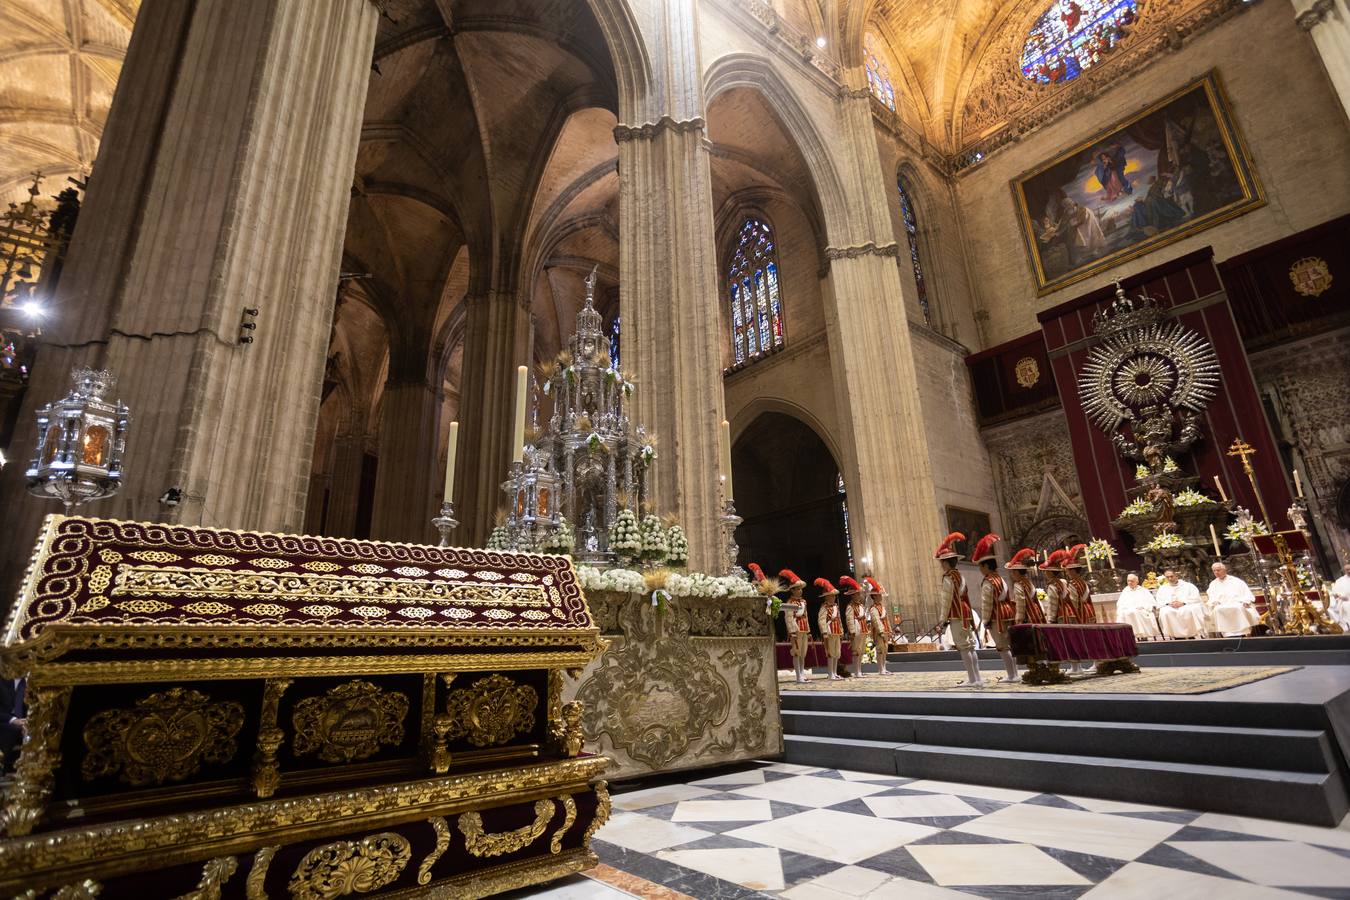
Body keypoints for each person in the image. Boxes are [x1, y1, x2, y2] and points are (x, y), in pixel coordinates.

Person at [935, 531, 982, 687]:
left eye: (942, 562)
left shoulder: (948, 577)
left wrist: (942, 619)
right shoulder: (960, 575)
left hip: (956, 613)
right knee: (970, 646)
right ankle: (977, 677)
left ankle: (972, 679)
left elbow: (946, 599)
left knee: (963, 646)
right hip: (966, 611)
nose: (941, 565)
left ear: (947, 563)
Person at [974, 534, 1020, 684]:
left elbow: (987, 603)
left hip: (997, 616)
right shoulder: (1001, 579)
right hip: (1008, 612)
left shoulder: (988, 582)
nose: (980, 570)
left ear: (986, 566)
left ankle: (1011, 675)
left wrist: (985, 620)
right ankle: (1015, 673)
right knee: (1010, 646)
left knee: (1002, 647)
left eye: (981, 566)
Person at [1206, 561, 1261, 636]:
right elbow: (1211, 597)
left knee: (1238, 608)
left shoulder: (1236, 581)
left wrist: (1246, 601)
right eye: (1214, 571)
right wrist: (1214, 602)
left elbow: (1246, 593)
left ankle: (1242, 633)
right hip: (1221, 605)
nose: (1216, 572)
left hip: (1237, 604)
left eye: (1218, 570)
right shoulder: (1213, 584)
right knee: (1217, 609)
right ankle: (1226, 634)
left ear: (1224, 570)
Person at [779, 568, 812, 683]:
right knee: (797, 652)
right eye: (797, 589)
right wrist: (792, 631)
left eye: (800, 589)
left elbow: (806, 616)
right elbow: (788, 618)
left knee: (803, 653)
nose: (800, 591)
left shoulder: (803, 602)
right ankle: (798, 676)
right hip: (796, 629)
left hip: (803, 629)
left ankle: (802, 674)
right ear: (792, 591)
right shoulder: (790, 603)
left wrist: (808, 630)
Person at [1155, 568, 1207, 639]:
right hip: (1171, 607)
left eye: (1171, 576)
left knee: (1188, 611)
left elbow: (1196, 597)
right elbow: (1160, 600)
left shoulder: (1189, 586)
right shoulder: (1163, 588)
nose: (1170, 578)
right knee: (1165, 612)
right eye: (1167, 577)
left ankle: (1191, 635)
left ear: (1176, 576)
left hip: (1186, 605)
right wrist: (1169, 603)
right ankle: (1176, 636)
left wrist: (1183, 603)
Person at [1116, 573, 1162, 640]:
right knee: (1124, 614)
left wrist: (1143, 607)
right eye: (1128, 581)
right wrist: (1124, 608)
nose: (1129, 582)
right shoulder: (1125, 591)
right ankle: (1130, 637)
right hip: (1128, 610)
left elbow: (1151, 602)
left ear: (1137, 582)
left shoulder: (1143, 590)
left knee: (1136, 613)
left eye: (1132, 581)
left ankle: (1143, 636)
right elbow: (1120, 604)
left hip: (1141, 610)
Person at [815, 578, 844, 681]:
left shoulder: (836, 607)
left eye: (834, 596)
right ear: (826, 597)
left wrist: (841, 631)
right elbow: (821, 620)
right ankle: (830, 673)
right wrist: (824, 632)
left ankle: (835, 672)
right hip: (829, 631)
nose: (834, 598)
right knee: (830, 652)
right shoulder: (824, 607)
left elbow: (839, 619)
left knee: (837, 652)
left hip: (836, 631)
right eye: (832, 596)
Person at [1007, 548, 1044, 624]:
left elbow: (1021, 604)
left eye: (1012, 572)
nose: (1011, 574)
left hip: (1027, 615)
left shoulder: (1018, 585)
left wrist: (1018, 620)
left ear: (1016, 572)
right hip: (1035, 613)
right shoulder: (1029, 582)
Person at [865, 577, 894, 675]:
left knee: (885, 650)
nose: (880, 597)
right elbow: (876, 620)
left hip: (885, 630)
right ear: (874, 597)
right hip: (878, 631)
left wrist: (889, 630)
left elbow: (887, 619)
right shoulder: (873, 608)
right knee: (880, 649)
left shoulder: (883, 607)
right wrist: (881, 630)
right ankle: (880, 669)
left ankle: (884, 668)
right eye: (878, 596)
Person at [842, 576, 869, 679]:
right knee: (856, 651)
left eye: (859, 594)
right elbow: (849, 619)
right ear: (852, 596)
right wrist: (852, 631)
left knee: (861, 651)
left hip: (863, 628)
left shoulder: (861, 606)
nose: (858, 596)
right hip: (856, 629)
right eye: (856, 594)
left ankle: (860, 671)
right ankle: (856, 671)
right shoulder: (850, 606)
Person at [1063, 544, 1098, 624]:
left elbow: (1074, 601)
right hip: (1089, 611)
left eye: (1068, 571)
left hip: (1081, 612)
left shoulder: (1073, 583)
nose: (1067, 573)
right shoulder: (1084, 582)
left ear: (1073, 571)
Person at [1331, 563, 1350, 631]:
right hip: (1346, 600)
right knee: (1347, 605)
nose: (1349, 571)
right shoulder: (1340, 581)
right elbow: (1335, 592)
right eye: (1347, 570)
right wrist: (1341, 597)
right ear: (1344, 571)